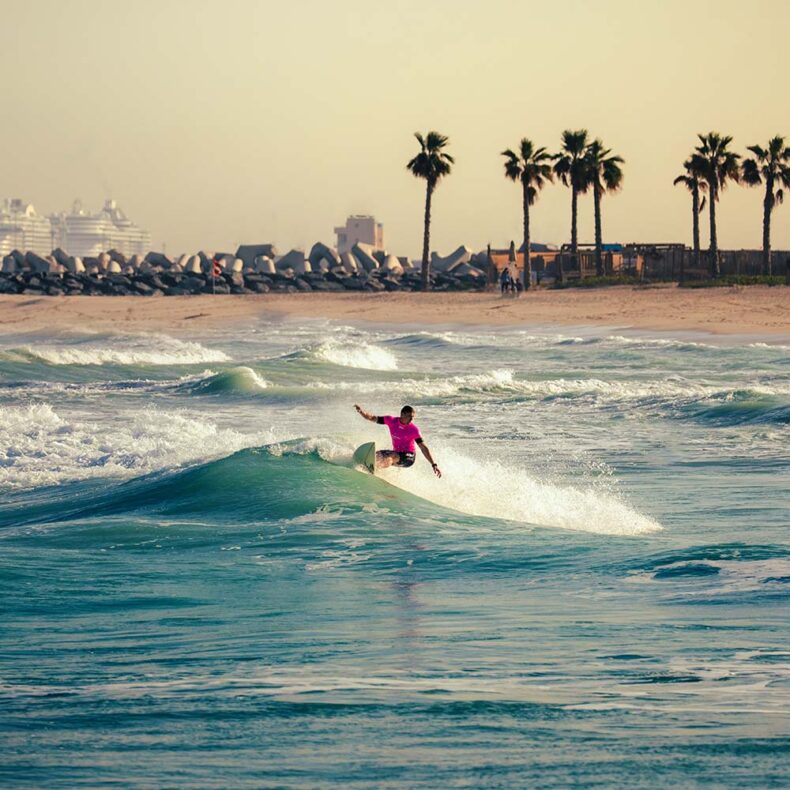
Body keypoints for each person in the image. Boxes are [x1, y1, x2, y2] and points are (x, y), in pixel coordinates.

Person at [354, 404, 442, 477]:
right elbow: (372, 418)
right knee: (376, 455)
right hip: (397, 452)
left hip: (409, 457)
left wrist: (433, 464)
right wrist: (361, 412)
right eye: (409, 417)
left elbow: (423, 447)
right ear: (402, 414)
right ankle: (372, 467)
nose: (411, 419)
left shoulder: (414, 430)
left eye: (412, 417)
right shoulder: (391, 421)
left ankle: (375, 468)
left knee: (391, 457)